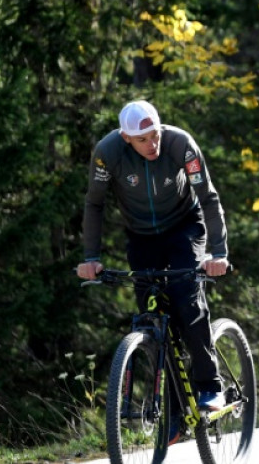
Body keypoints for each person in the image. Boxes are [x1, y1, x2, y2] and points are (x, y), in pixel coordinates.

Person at [76, 100, 231, 444]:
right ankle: (174, 414)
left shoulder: (180, 144)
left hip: (185, 228)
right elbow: (94, 203)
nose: (153, 144)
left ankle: (210, 385)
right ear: (125, 137)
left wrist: (218, 253)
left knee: (186, 301)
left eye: (155, 135)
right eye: (143, 139)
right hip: (142, 236)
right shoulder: (107, 153)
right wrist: (90, 257)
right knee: (153, 317)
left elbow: (207, 196)